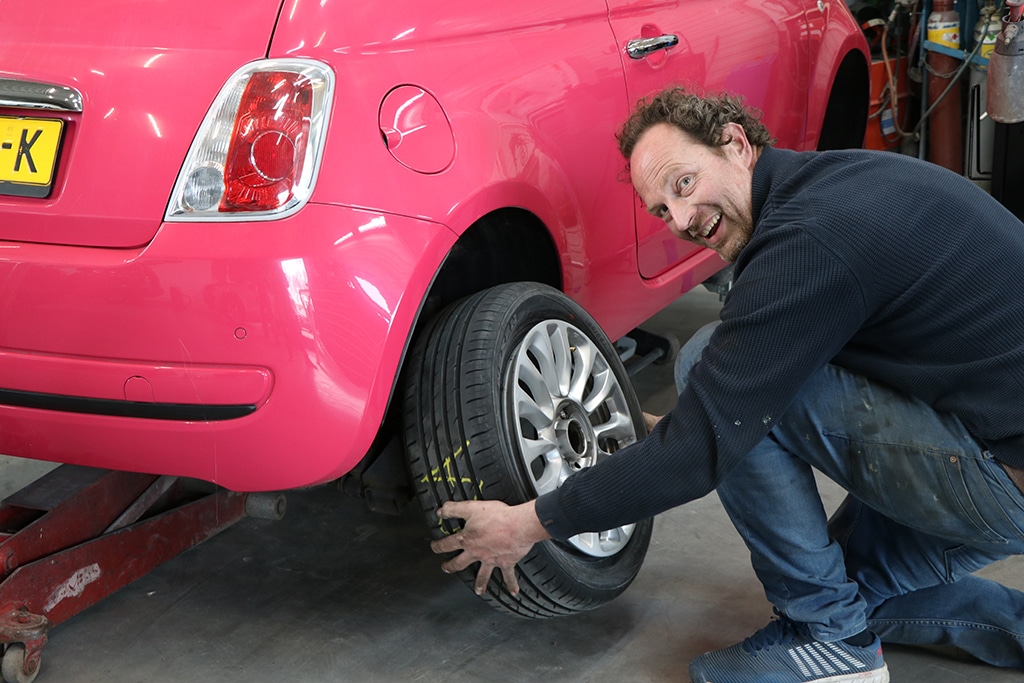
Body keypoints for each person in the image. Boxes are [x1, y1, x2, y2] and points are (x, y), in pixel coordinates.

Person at [430, 86, 1024, 683]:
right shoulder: (830, 183)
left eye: (682, 184)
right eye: (662, 210)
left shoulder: (805, 243)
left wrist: (528, 523)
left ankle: (832, 645)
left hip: (1004, 481)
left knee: (705, 359)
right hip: (995, 440)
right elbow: (769, 377)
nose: (683, 220)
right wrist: (676, 425)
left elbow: (703, 447)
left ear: (735, 143)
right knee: (841, 580)